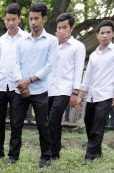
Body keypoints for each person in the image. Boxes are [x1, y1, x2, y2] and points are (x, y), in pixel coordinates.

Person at [10, 2, 58, 168]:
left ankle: (46, 156)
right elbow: (15, 63)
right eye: (31, 19)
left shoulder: (51, 41)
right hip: (21, 90)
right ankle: (13, 156)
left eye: (36, 18)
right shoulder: (21, 41)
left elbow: (49, 65)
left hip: (39, 90)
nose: (33, 22)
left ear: (44, 18)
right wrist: (21, 84)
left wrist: (29, 81)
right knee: (16, 124)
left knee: (42, 125)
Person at [0, 3, 29, 160]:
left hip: (18, 87)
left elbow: (28, 64)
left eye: (13, 19)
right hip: (2, 86)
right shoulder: (1, 41)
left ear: (19, 19)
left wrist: (26, 84)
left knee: (17, 123)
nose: (10, 23)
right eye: (8, 19)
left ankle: (13, 155)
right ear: (5, 20)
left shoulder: (26, 39)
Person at [78, 20, 114, 163]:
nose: (105, 35)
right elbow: (87, 77)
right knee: (88, 122)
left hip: (106, 94)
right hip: (92, 95)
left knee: (98, 124)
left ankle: (89, 156)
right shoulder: (93, 55)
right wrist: (80, 95)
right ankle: (97, 151)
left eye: (108, 32)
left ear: (113, 34)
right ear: (97, 36)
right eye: (102, 33)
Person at [46, 12, 85, 160]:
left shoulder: (77, 47)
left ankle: (54, 152)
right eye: (59, 28)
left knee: (54, 119)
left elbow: (78, 69)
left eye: (65, 27)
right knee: (47, 120)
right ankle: (49, 149)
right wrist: (55, 43)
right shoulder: (52, 45)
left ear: (71, 28)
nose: (62, 31)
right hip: (49, 89)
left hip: (65, 89)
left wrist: (75, 93)